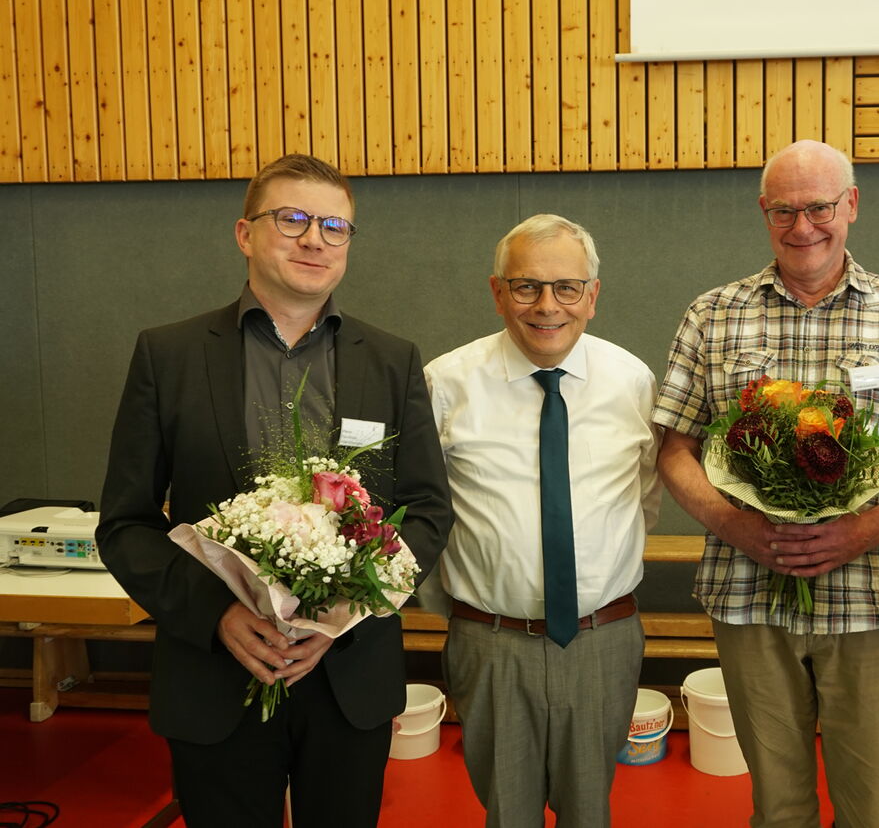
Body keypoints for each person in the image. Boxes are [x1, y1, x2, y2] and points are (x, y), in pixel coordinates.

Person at [96, 154, 454, 828]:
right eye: (291, 218)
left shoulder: (393, 359)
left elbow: (429, 509)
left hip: (348, 673)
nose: (313, 238)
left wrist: (341, 613)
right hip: (216, 673)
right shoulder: (167, 355)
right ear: (244, 233)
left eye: (333, 226)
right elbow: (126, 524)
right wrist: (218, 616)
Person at [652, 139, 879, 828]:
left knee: (875, 805)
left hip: (869, 593)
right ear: (764, 212)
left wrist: (870, 526)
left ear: (850, 204)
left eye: (819, 206)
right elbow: (673, 446)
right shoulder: (714, 313)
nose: (803, 226)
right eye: (784, 210)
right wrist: (737, 525)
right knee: (777, 805)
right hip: (747, 592)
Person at [423, 213, 660, 827]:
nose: (547, 305)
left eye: (567, 287)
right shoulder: (446, 384)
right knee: (508, 813)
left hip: (602, 640)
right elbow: (421, 510)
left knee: (590, 813)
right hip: (491, 640)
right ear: (498, 292)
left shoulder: (633, 382)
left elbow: (644, 498)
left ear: (594, 296)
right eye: (526, 286)